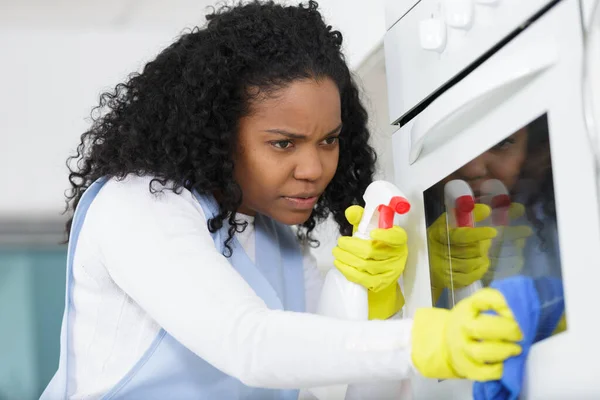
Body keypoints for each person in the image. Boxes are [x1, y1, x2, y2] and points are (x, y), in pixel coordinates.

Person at [41, 1, 524, 399]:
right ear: (218, 134)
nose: (314, 169)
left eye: (329, 140)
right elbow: (250, 345)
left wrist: (391, 295)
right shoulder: (137, 207)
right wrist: (422, 340)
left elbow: (339, 385)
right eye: (283, 143)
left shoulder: (280, 249)